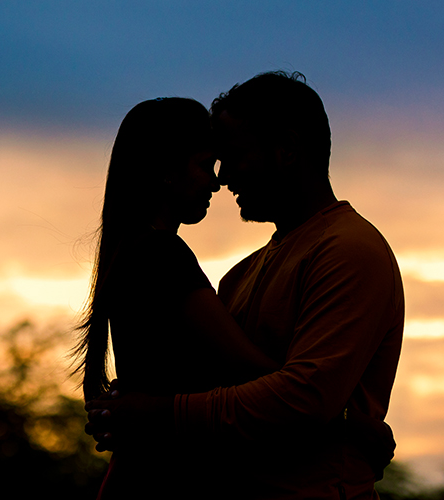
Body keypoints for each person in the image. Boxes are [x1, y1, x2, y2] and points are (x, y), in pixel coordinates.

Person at [85, 71, 403, 499]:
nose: (224, 178)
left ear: (287, 150)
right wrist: (349, 423)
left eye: (233, 157)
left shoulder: (349, 250)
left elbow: (301, 399)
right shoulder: (238, 275)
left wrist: (156, 411)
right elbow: (246, 390)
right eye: (211, 163)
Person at [72, 97, 282, 498]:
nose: (216, 183)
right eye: (205, 166)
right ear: (167, 172)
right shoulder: (161, 254)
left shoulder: (134, 250)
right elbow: (252, 372)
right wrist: (345, 419)